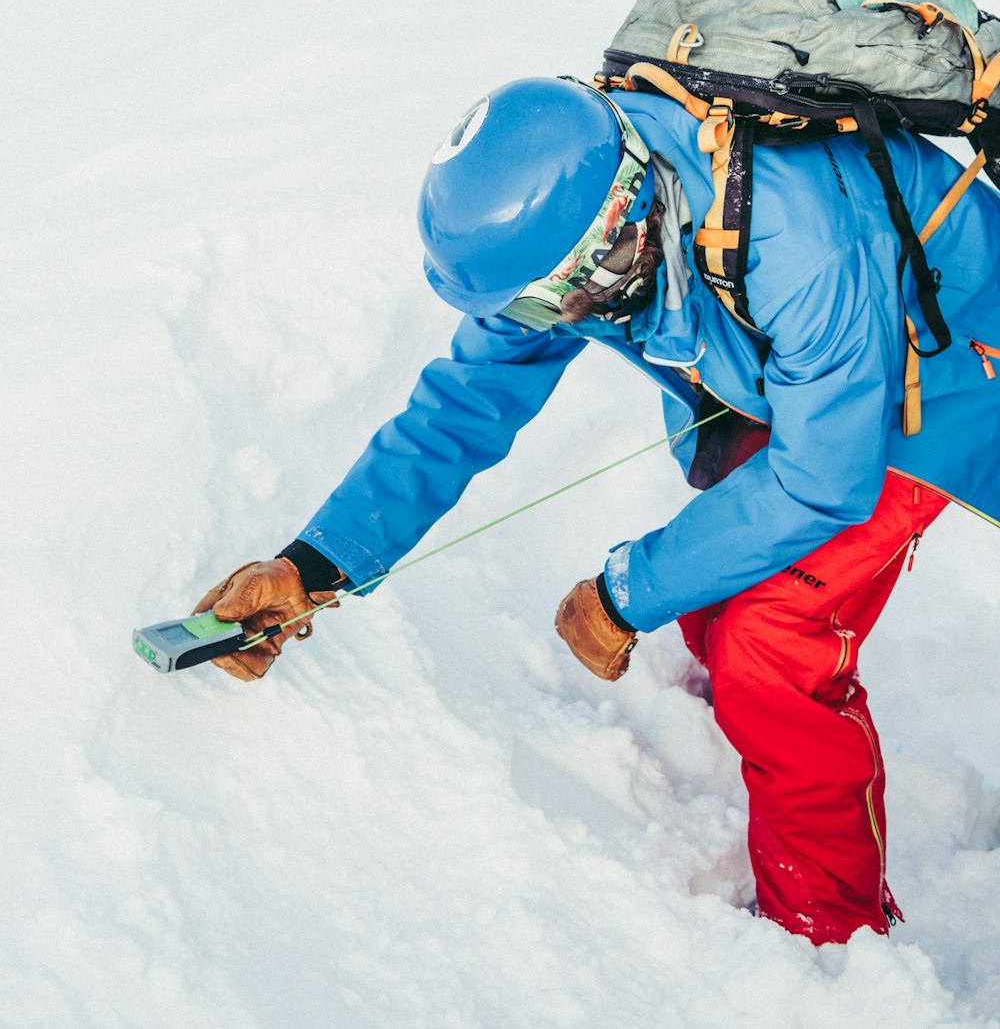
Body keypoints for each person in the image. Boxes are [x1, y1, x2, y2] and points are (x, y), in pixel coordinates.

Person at [194, 70, 1000, 945]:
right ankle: (734, 717)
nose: (542, 320)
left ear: (618, 236)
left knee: (775, 638)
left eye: (554, 301)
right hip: (796, 363)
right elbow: (461, 404)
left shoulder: (798, 245)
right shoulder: (562, 238)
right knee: (728, 555)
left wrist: (628, 591)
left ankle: (828, 932)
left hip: (943, 367)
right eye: (528, 305)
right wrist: (313, 565)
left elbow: (820, 483)